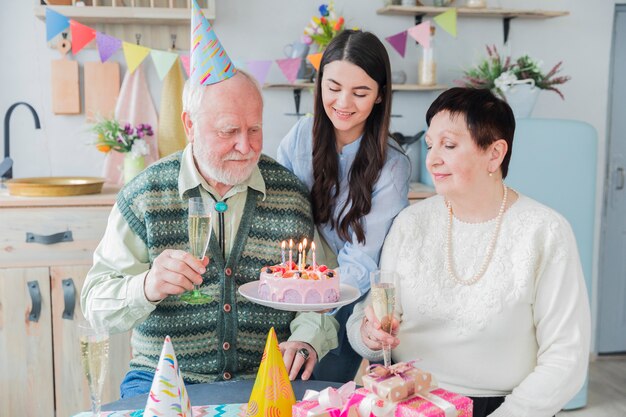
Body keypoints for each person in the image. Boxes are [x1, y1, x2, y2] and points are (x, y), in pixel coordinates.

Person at [81, 71, 339, 399]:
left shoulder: (290, 195)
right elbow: (94, 305)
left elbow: (323, 297)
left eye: (255, 129)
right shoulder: (145, 194)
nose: (245, 146)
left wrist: (307, 340)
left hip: (266, 380)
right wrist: (147, 286)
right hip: (161, 378)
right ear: (190, 125)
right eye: (228, 131)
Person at [346, 88, 591, 417]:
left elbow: (566, 358)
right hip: (406, 400)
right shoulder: (410, 223)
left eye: (448, 145)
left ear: (494, 153)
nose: (432, 159)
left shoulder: (544, 231)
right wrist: (370, 334)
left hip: (502, 408)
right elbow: (366, 319)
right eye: (430, 144)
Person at [277, 29, 410, 383]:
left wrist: (319, 303)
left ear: (380, 95)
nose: (343, 103)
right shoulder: (299, 138)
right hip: (294, 288)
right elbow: (279, 213)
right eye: (333, 88)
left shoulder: (393, 166)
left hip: (347, 300)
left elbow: (364, 258)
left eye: (361, 92)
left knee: (320, 392)